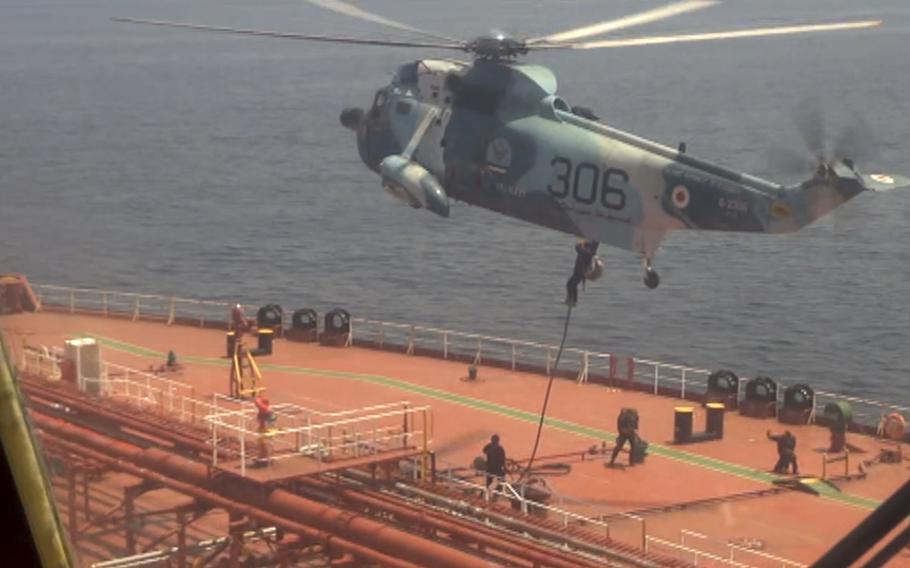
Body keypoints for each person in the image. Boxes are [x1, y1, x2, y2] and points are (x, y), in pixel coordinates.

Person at [565, 239, 600, 307]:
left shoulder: (587, 252)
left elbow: (578, 247)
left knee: (570, 284)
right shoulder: (588, 251)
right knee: (572, 285)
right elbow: (578, 248)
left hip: (580, 272)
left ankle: (572, 300)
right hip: (579, 272)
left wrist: (581, 244)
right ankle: (572, 300)